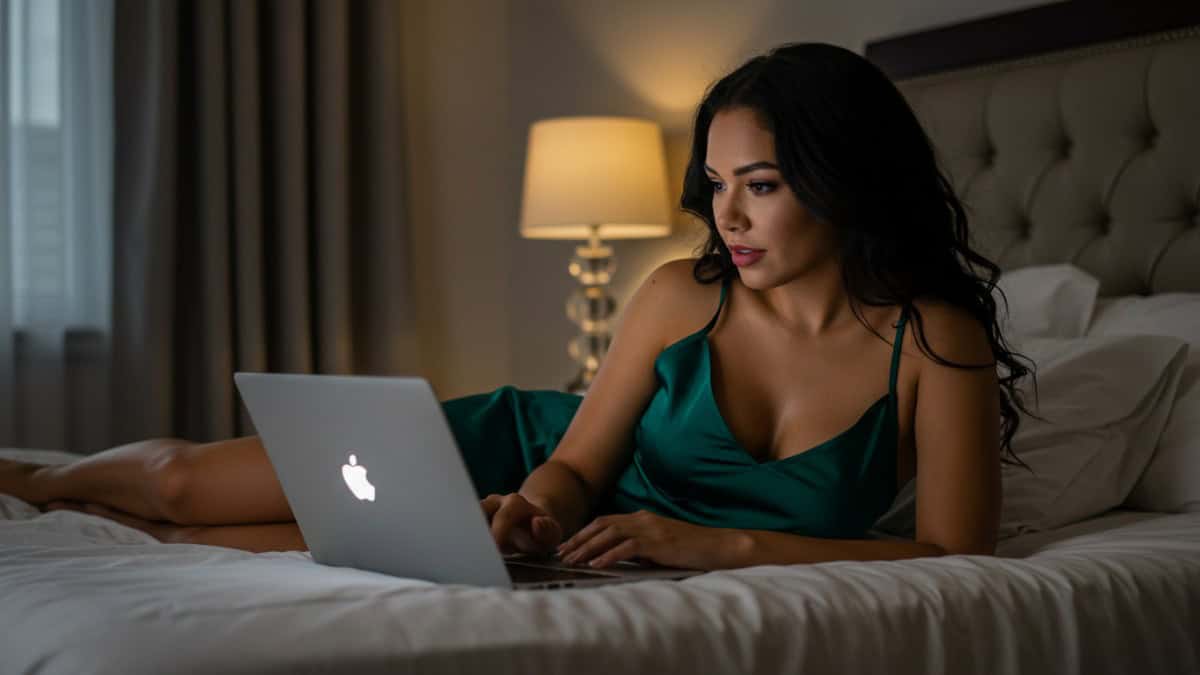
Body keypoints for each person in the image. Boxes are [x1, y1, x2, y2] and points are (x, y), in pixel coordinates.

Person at [0, 43, 1031, 571]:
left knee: (205, 549)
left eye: (759, 184)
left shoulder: (936, 341)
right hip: (527, 464)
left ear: (843, 179)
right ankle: (28, 472)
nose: (728, 218)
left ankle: (69, 506)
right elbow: (582, 462)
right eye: (715, 186)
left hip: (584, 560)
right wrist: (535, 507)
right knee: (183, 483)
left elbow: (953, 557)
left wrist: (718, 546)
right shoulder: (682, 297)